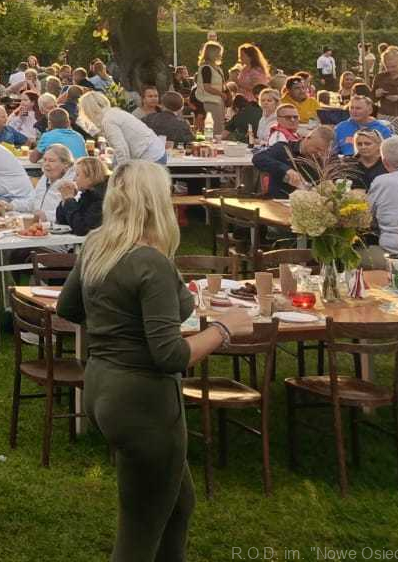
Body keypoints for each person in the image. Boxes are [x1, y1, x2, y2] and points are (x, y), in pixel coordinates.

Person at [56, 162, 254, 562]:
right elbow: (171, 356)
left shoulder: (97, 245)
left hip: (101, 385)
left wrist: (117, 324)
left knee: (178, 506)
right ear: (156, 201)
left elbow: (68, 307)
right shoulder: (150, 261)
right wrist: (225, 328)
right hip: (143, 402)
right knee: (138, 533)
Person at [77, 91, 167, 164]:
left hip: (150, 156)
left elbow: (122, 150)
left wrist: (121, 173)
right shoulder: (113, 113)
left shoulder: (108, 121)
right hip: (155, 152)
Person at [252, 124, 335, 198]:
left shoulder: (324, 161)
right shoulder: (284, 149)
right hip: (280, 202)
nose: (319, 154)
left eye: (323, 152)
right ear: (308, 138)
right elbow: (258, 158)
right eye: (317, 148)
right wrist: (286, 170)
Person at [3, 143, 76, 222]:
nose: (46, 164)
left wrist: (46, 216)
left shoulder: (72, 184)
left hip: (58, 227)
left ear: (65, 164)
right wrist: (11, 206)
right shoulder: (45, 178)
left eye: (51, 161)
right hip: (39, 225)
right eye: (44, 160)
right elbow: (33, 202)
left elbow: (72, 213)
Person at [53, 151, 108, 235]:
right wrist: (65, 200)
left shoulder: (100, 198)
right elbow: (62, 222)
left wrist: (69, 199)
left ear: (90, 177)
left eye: (77, 175)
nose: (74, 179)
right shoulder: (87, 194)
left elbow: (82, 229)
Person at [194, 43, 226, 140]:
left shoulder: (216, 68)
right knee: (214, 128)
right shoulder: (206, 68)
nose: (220, 55)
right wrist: (221, 94)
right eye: (218, 53)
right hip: (210, 101)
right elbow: (207, 87)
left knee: (218, 126)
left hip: (217, 101)